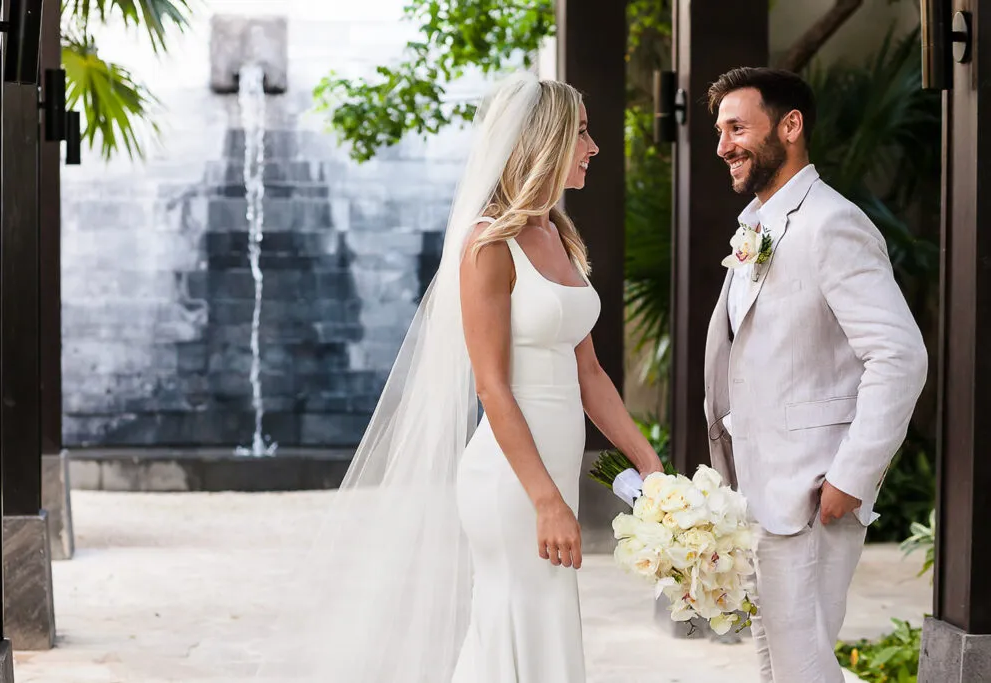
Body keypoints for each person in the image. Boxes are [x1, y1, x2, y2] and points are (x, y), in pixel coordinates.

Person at [300, 70, 662, 683]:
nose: (593, 148)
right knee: (517, 622)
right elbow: (491, 385)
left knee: (542, 622)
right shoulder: (489, 244)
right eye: (581, 133)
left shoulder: (560, 237)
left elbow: (590, 372)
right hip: (512, 479)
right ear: (542, 142)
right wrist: (545, 498)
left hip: (551, 466)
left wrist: (649, 463)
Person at [702, 66, 928, 682]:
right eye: (720, 131)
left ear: (791, 125)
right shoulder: (757, 224)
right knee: (779, 667)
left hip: (812, 493)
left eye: (738, 127)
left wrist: (851, 477)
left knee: (803, 669)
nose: (723, 145)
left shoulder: (834, 223)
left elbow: (900, 356)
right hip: (756, 488)